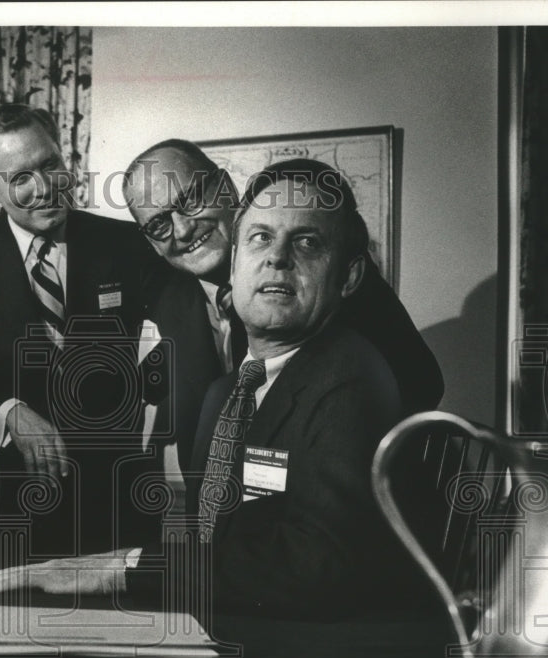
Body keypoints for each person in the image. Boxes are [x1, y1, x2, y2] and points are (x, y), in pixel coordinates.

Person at [0, 161, 432, 622]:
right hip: (224, 610)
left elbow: (316, 564)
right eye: (261, 238)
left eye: (306, 242)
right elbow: (222, 544)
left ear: (349, 277)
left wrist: (123, 568)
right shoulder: (222, 389)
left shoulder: (352, 376)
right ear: (236, 260)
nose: (276, 258)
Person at [123, 143, 443, 513]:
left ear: (225, 187)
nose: (182, 229)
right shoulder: (167, 295)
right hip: (217, 524)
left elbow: (420, 382)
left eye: (190, 200)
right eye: (158, 224)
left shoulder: (322, 272)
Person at [0, 103, 161, 561]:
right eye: (20, 178)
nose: (45, 187)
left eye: (50, 164)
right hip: (14, 502)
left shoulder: (128, 245)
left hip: (120, 498)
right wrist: (8, 411)